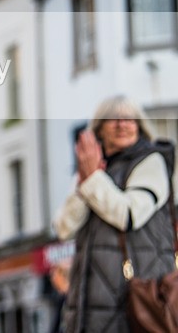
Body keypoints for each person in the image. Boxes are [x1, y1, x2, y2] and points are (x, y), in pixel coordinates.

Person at [54, 95, 176, 332]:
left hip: (137, 302)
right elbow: (63, 228)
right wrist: (84, 181)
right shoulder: (92, 168)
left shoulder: (151, 162)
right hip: (88, 309)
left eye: (130, 119)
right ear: (99, 128)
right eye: (113, 119)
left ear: (139, 125)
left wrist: (93, 179)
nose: (122, 124)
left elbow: (128, 214)